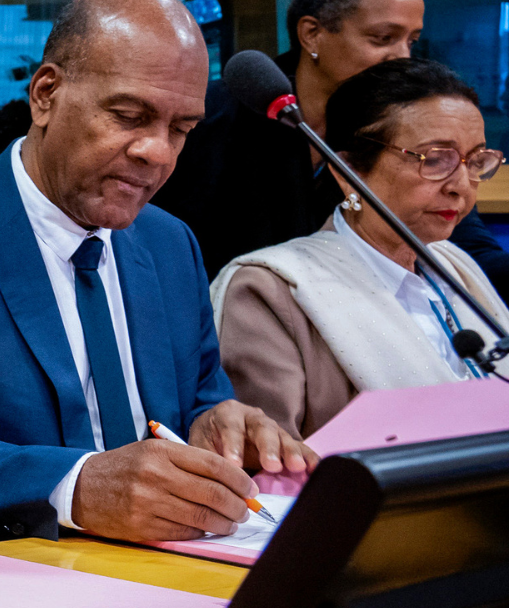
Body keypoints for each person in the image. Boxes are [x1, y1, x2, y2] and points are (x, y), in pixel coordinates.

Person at [0, 0, 315, 546]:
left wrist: (222, 427)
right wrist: (75, 488)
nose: (157, 151)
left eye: (180, 130)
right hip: (6, 574)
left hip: (177, 565)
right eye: (130, 115)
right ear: (45, 94)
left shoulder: (170, 243)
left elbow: (199, 402)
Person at [156, 0, 509, 292]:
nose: (401, 57)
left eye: (411, 41)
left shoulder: (403, 126)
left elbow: (470, 248)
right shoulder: (210, 118)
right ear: (312, 34)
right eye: (382, 39)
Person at [214, 58, 507, 435]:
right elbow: (266, 468)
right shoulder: (270, 291)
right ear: (347, 172)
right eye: (434, 159)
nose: (461, 185)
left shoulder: (455, 267)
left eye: (475, 161)